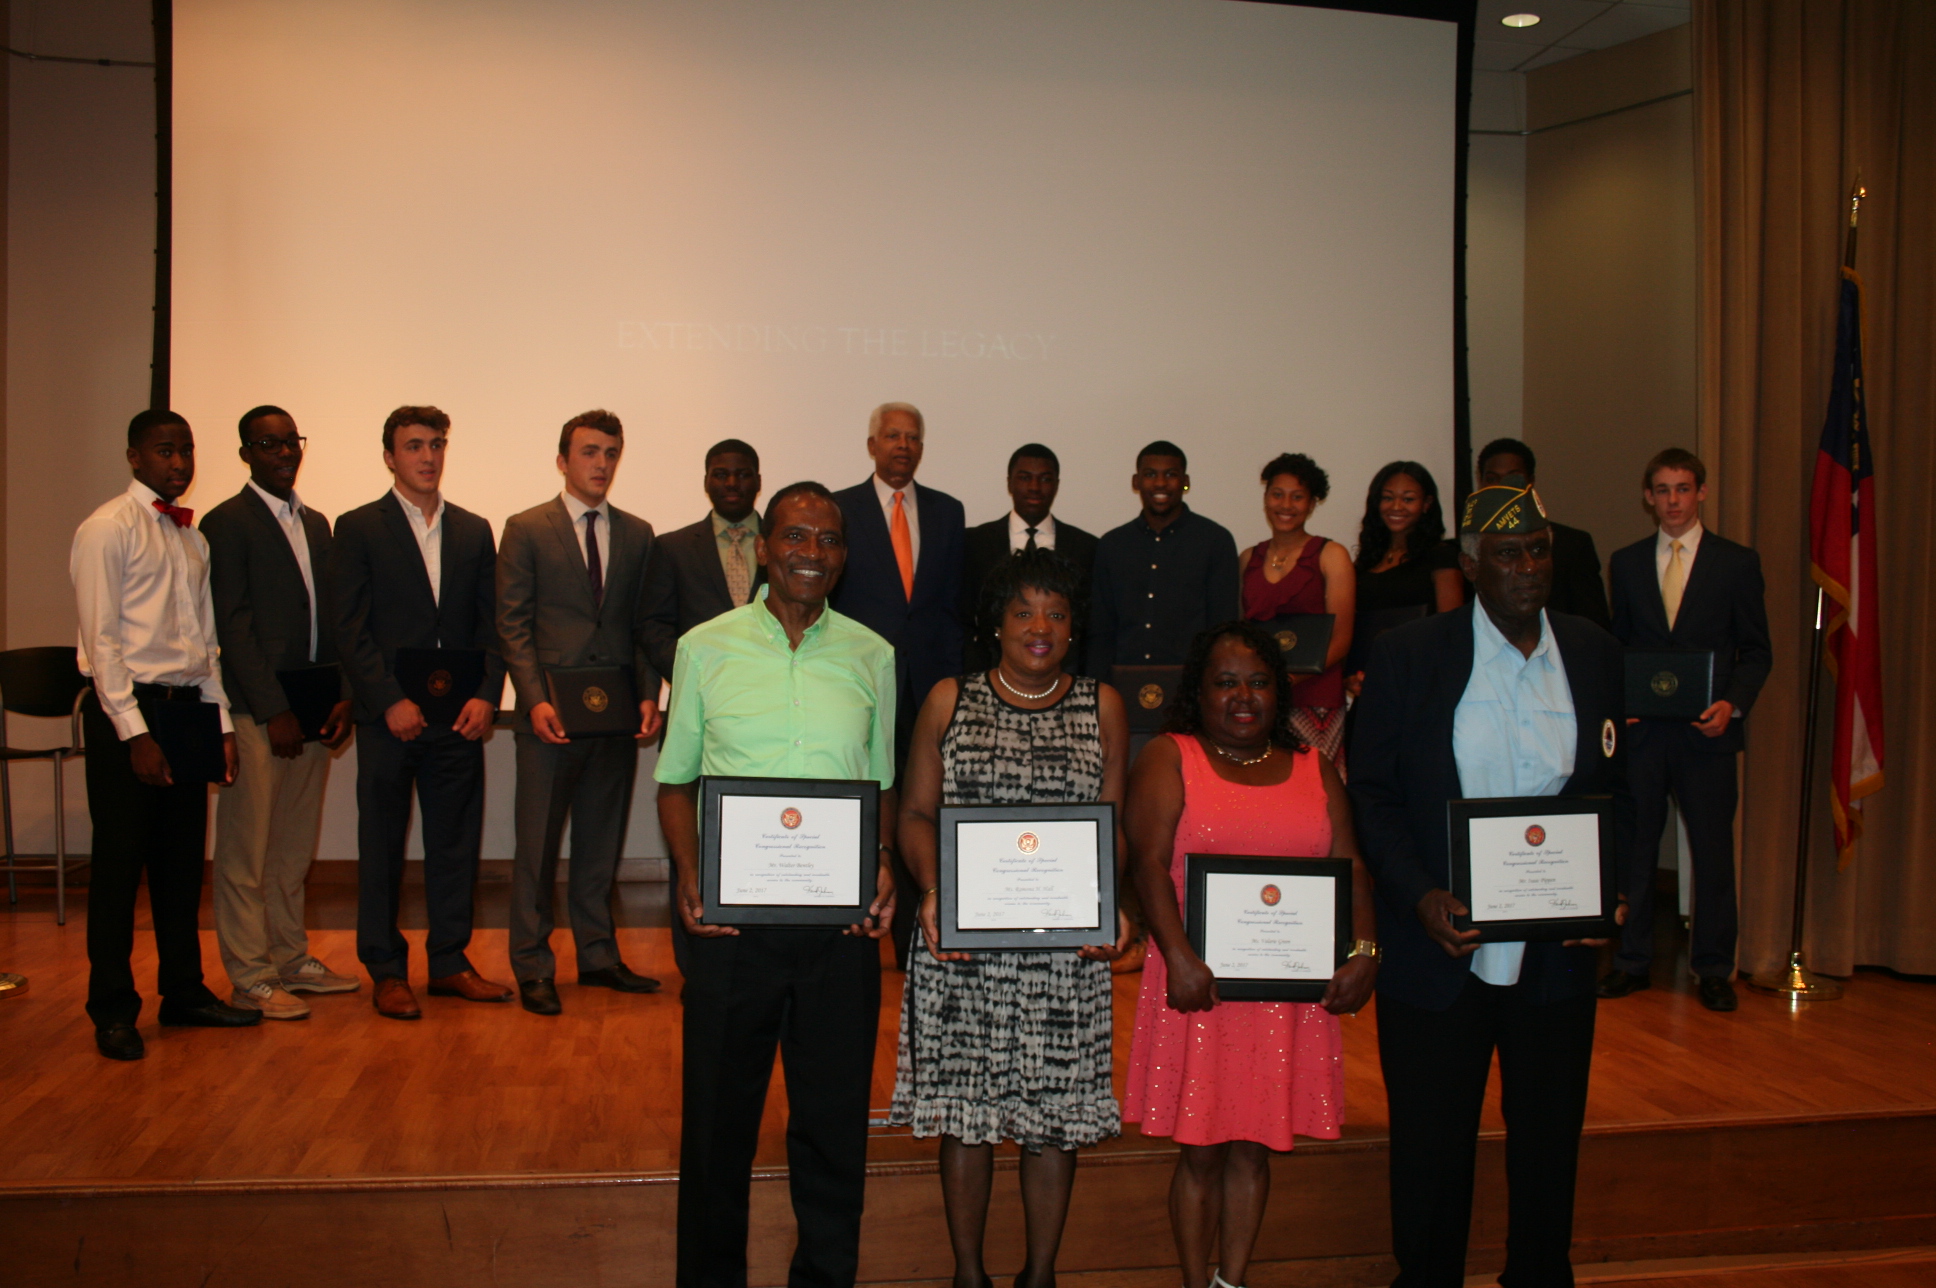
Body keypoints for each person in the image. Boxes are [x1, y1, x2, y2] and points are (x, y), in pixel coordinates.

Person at [1348, 476, 1633, 1288]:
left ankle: (1539, 1274)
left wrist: (1612, 896)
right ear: (1472, 565)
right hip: (1441, 948)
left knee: (1548, 1136)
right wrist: (1417, 896)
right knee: (1432, 1141)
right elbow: (1373, 794)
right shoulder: (1410, 654)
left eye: (1538, 551)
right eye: (1507, 555)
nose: (1527, 569)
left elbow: (1619, 792)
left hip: (1556, 949)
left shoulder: (1592, 651)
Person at [654, 482, 898, 1288]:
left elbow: (883, 786)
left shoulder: (873, 654)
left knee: (833, 1132)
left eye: (828, 540)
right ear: (763, 546)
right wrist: (691, 875)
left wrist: (885, 864)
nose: (811, 553)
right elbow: (675, 782)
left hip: (840, 937)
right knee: (718, 1131)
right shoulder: (705, 646)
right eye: (794, 535)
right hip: (731, 935)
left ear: (843, 555)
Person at [891, 548, 1132, 1288]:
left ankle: (1040, 1275)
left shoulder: (1104, 705)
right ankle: (969, 1273)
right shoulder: (948, 699)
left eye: (1057, 613)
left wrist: (1111, 903)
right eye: (1023, 610)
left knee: (1053, 1119)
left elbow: (1113, 824)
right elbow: (915, 814)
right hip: (963, 947)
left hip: (1064, 953)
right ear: (995, 622)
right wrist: (935, 891)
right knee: (967, 1117)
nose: (1040, 626)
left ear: (1073, 628)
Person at [70, 409, 255, 1060]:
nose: (178, 463)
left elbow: (203, 644)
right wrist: (133, 733)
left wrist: (222, 724)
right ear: (134, 457)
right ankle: (113, 1009)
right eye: (164, 451)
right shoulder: (106, 530)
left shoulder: (191, 538)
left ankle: (184, 993)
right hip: (129, 711)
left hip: (187, 709)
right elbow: (102, 642)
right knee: (120, 868)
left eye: (187, 450)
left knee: (181, 866)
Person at [331, 405, 512, 1020]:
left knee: (455, 845)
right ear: (390, 456)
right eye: (414, 446)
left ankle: (450, 963)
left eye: (436, 444)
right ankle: (385, 969)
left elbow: (491, 626)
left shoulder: (472, 529)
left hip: (459, 719)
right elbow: (349, 630)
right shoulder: (357, 528)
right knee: (380, 846)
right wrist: (388, 700)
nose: (428, 456)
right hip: (390, 722)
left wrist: (488, 693)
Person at [497, 409, 663, 1015]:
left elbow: (643, 627)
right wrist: (533, 699)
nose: (601, 464)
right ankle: (533, 965)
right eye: (589, 452)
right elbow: (512, 624)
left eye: (611, 453)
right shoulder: (526, 528)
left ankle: (597, 956)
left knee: (601, 843)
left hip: (614, 716)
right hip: (548, 720)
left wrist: (649, 693)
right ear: (563, 460)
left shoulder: (639, 533)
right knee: (536, 848)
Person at [200, 405, 356, 1021]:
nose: (283, 452)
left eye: (291, 441)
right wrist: (272, 711)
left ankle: (291, 958)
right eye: (269, 444)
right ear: (246, 453)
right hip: (258, 711)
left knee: (292, 848)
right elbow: (232, 626)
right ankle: (251, 976)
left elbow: (336, 617)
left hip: (315, 709)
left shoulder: (316, 523)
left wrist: (343, 691)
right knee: (246, 852)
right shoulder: (226, 523)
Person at [1601, 449, 1771, 1013]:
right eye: (1662, 490)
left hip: (1707, 735)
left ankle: (1714, 967)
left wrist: (1733, 704)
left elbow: (1756, 651)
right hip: (1644, 735)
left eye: (1683, 489)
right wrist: (1619, 701)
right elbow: (1617, 645)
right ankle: (1633, 961)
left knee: (1713, 853)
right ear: (1647, 497)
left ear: (1700, 493)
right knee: (1637, 850)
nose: (1673, 500)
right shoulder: (1625, 564)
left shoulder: (1736, 563)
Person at [831, 401, 966, 966]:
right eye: (892, 436)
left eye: (912, 438)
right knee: (864, 803)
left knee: (921, 807)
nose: (902, 446)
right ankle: (856, 917)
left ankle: (916, 933)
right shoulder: (841, 509)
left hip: (930, 688)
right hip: (860, 684)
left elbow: (956, 603)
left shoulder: (947, 511)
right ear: (871, 445)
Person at [639, 437, 765, 980]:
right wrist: (702, 680)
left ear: (758, 480)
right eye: (721, 474)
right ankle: (696, 970)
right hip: (698, 713)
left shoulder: (785, 545)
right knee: (693, 839)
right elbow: (652, 625)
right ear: (706, 480)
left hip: (770, 719)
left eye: (742, 474)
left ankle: (759, 953)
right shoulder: (672, 548)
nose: (732, 483)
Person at [1087, 441, 1240, 678]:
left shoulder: (1215, 541)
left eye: (1170, 474)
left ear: (1185, 481)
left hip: (1191, 685)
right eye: (1150, 474)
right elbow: (1100, 629)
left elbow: (1223, 628)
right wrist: (1096, 691)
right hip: (1123, 684)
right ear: (1136, 482)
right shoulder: (1112, 545)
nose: (1160, 483)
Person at [1239, 454, 1354, 762]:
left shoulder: (1332, 555)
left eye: (1297, 497)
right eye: (1277, 494)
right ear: (1265, 498)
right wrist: (1261, 685)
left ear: (1312, 503)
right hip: (1258, 703)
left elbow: (1341, 640)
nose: (1285, 505)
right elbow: (1240, 636)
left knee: (1318, 794)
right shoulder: (1248, 558)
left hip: (1316, 700)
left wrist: (1285, 682)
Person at [961, 444, 1099, 673]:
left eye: (1044, 479)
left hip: (1066, 675)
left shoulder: (1086, 547)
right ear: (1009, 483)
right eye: (1025, 478)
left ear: (1056, 485)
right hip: (987, 674)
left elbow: (1088, 624)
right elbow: (963, 618)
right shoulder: (974, 543)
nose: (1034, 487)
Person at [1346, 460, 1463, 698]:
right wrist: (1349, 675)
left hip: (1421, 687)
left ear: (1427, 504)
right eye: (1388, 498)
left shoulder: (1441, 556)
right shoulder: (1365, 562)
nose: (1396, 506)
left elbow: (1452, 631)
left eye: (1408, 499)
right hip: (1371, 686)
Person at [1477, 438, 1611, 629]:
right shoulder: (1470, 546)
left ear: (1531, 482)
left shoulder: (1572, 545)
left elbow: (1594, 624)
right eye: (1492, 479)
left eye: (1513, 478)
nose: (1502, 487)